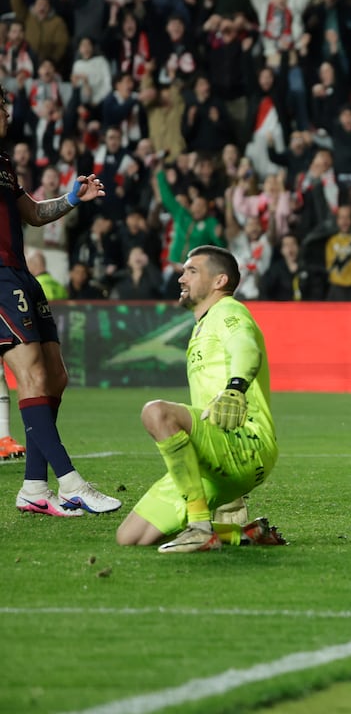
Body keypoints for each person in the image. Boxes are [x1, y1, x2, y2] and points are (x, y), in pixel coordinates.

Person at [115, 246, 285, 553]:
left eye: (192, 271)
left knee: (156, 413)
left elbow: (246, 349)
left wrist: (236, 388)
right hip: (211, 459)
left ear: (220, 281)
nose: (181, 278)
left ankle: (199, 527)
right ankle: (243, 533)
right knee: (131, 536)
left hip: (244, 442)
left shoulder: (228, 311)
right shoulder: (202, 325)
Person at [1, 96, 122, 516]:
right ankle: (72, 483)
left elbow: (32, 213)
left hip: (19, 274)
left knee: (55, 375)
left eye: (5, 106)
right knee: (32, 374)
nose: (5, 113)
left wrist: (72, 199)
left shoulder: (3, 162)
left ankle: (35, 487)